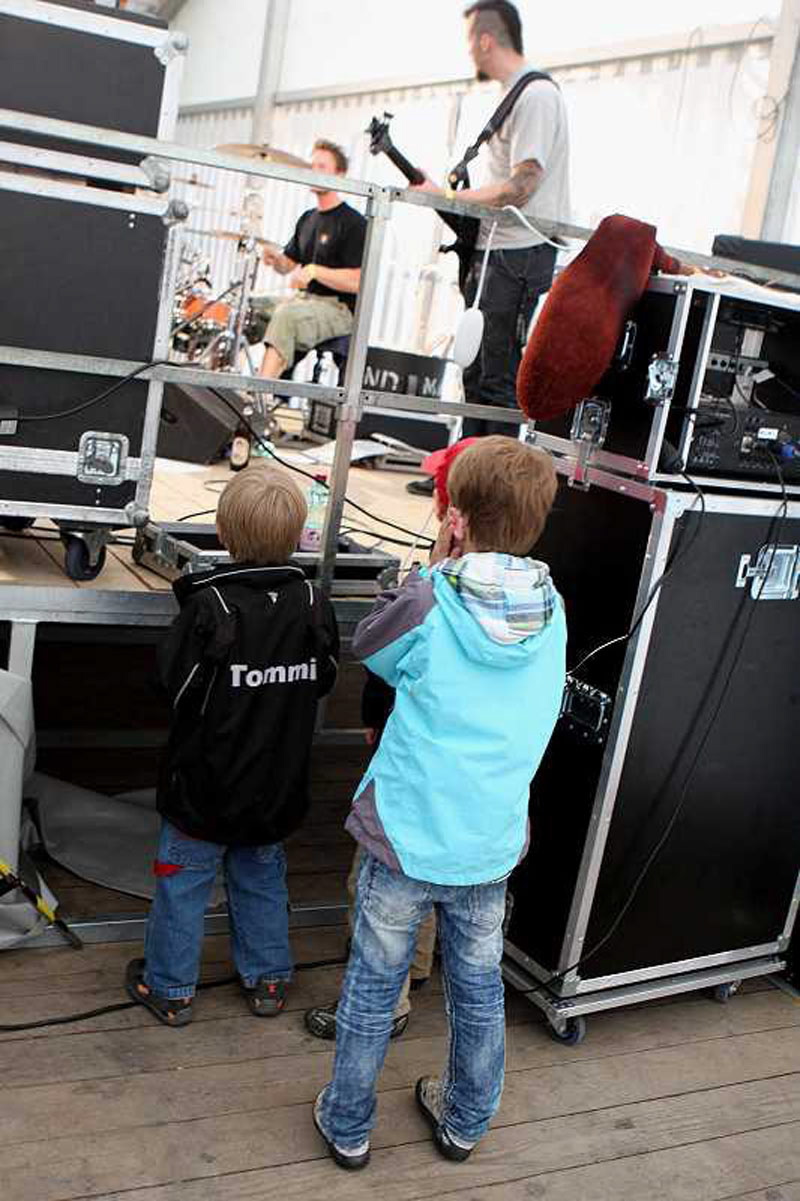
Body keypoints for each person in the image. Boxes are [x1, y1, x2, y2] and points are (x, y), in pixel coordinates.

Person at [311, 436, 567, 1170]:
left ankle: (350, 1123)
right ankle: (463, 1117)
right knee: (478, 988)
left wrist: (430, 571)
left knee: (372, 983)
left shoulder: (432, 597)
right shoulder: (553, 609)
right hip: (488, 843)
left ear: (454, 517)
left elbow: (372, 648)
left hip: (407, 837)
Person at [125, 464, 339, 1027]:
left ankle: (169, 987)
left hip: (204, 791)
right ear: (296, 536)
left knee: (182, 882)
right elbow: (325, 680)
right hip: (274, 790)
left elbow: (170, 689)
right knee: (262, 878)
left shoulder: (210, 608)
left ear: (223, 534)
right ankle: (269, 980)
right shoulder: (314, 603)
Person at [407, 0, 571, 499]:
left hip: (521, 253)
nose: (469, 53)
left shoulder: (537, 95)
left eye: (468, 43)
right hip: (498, 251)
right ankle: (464, 483)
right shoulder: (515, 95)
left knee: (498, 381)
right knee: (477, 373)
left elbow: (520, 186)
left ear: (484, 40)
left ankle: (491, 497)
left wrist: (450, 197)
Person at [303, 670, 436, 1043]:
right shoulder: (536, 627)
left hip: (413, 759)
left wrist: (374, 715)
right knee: (428, 871)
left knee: (374, 882)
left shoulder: (434, 616)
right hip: (472, 778)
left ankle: (383, 1007)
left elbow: (382, 649)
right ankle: (417, 964)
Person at [256, 139, 366, 384]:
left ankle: (258, 396)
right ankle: (271, 391)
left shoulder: (354, 223)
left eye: (322, 167)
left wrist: (316, 271)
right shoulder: (308, 218)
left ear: (340, 174)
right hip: (304, 301)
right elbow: (288, 265)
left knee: (286, 315)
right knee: (253, 309)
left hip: (338, 310)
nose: (314, 172)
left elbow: (358, 282)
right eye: (312, 165)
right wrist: (274, 258)